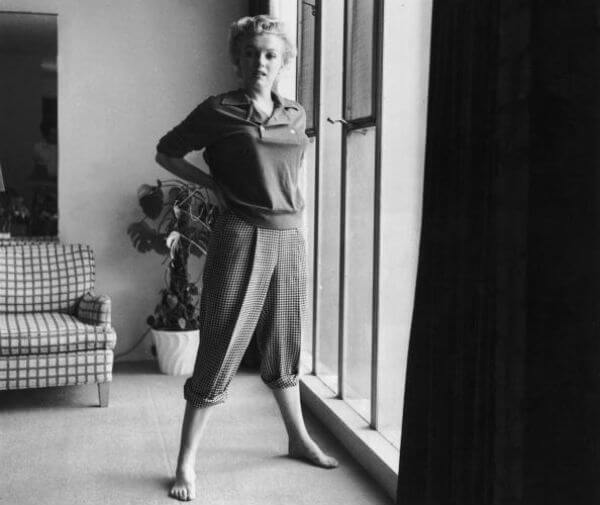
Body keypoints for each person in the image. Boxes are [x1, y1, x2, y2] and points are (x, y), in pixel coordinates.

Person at [155, 15, 338, 502]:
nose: (261, 61)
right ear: (237, 59)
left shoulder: (295, 113)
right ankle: (185, 462)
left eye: (270, 54)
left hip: (290, 236)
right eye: (251, 52)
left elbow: (289, 169)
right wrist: (212, 184)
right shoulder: (218, 110)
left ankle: (298, 439)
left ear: (283, 61)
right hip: (240, 233)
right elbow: (167, 153)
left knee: (284, 339)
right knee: (221, 341)